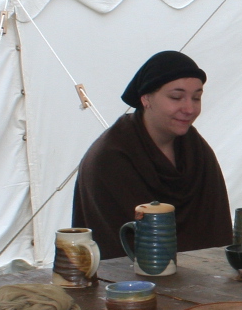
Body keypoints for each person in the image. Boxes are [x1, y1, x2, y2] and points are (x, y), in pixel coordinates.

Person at [73, 51, 232, 259]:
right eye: (176, 97)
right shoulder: (111, 158)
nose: (189, 108)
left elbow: (217, 227)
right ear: (146, 98)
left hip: (205, 270)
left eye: (196, 98)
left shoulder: (196, 150)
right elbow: (122, 244)